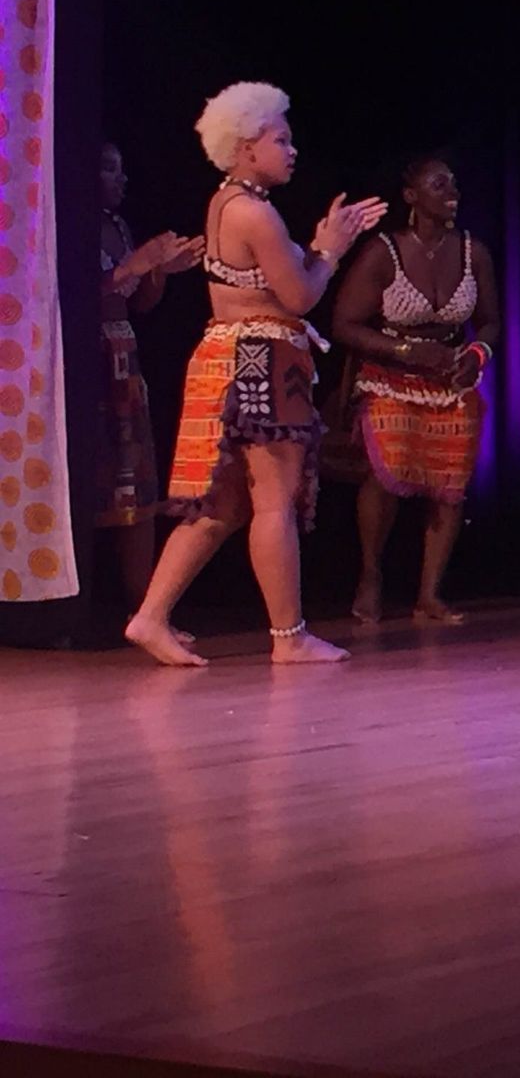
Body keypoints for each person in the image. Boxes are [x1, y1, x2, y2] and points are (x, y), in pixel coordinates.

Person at [124, 83, 386, 666]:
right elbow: (299, 296)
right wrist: (332, 250)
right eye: (281, 139)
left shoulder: (225, 203)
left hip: (228, 355)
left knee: (223, 506)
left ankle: (149, 616)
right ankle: (288, 638)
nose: (292, 150)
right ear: (245, 147)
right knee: (274, 501)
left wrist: (317, 246)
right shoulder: (255, 214)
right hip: (261, 359)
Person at [331, 156, 501, 626]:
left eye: (455, 183)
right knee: (386, 475)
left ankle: (429, 595)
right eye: (439, 183)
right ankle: (370, 575)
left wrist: (476, 356)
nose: (452, 191)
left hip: (450, 378)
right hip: (390, 376)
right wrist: (405, 350)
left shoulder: (473, 251)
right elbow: (344, 324)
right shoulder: (383, 252)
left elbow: (490, 322)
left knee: (450, 486)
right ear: (411, 196)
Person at [98, 143, 204, 626]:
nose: (121, 181)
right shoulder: (64, 226)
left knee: (134, 486)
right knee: (91, 479)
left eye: (121, 169)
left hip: (122, 359)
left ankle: (144, 610)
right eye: (108, 169)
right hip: (83, 363)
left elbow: (138, 303)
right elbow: (69, 298)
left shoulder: (118, 226)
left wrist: (159, 269)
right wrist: (133, 266)